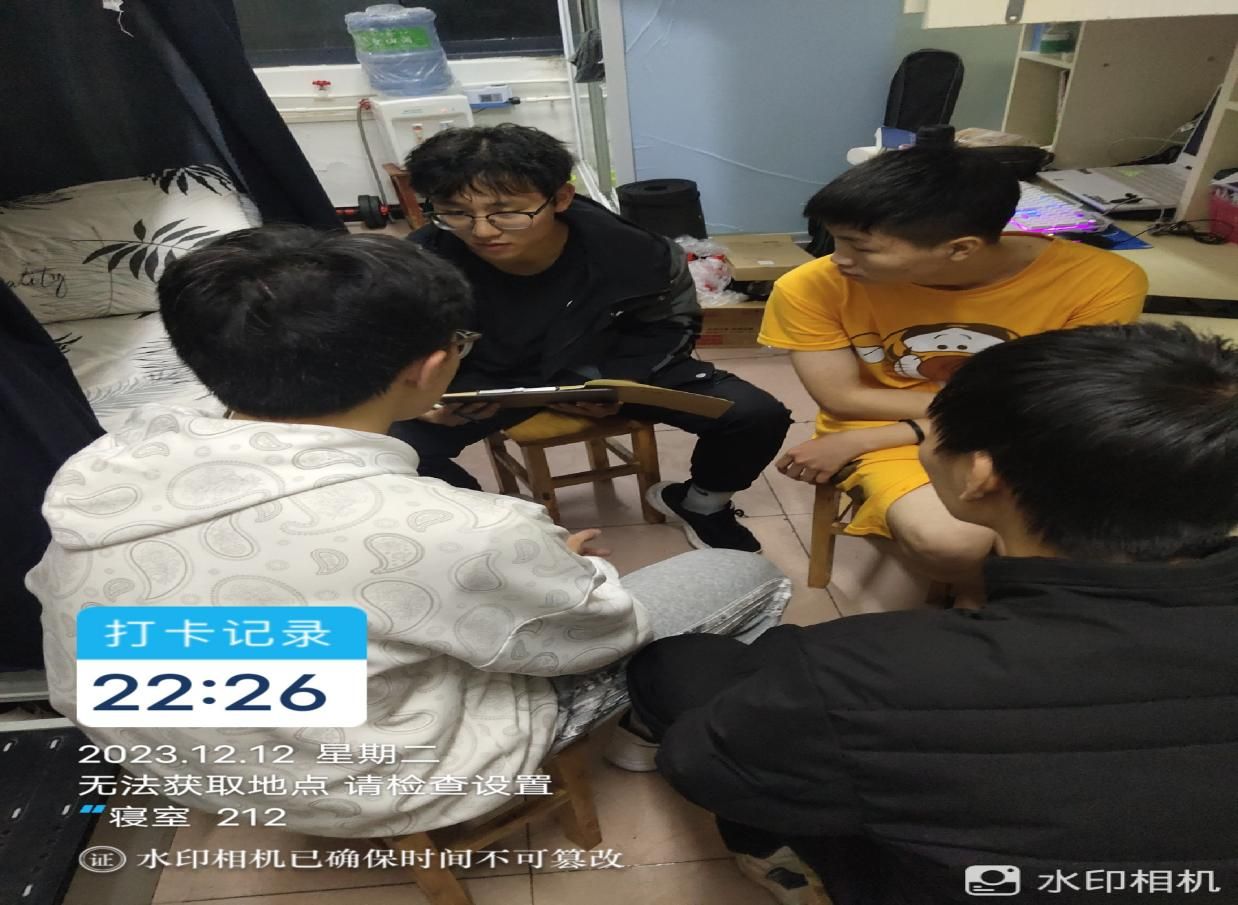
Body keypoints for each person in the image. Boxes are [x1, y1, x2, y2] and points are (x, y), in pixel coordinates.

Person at [26, 227, 791, 838]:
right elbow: (592, 635)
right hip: (378, 781)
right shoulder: (459, 528)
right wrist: (559, 570)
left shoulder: (102, 466)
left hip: (176, 765)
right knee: (744, 578)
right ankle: (647, 729)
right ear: (431, 367)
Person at [624, 323, 1238, 905]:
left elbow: (704, 766)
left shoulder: (860, 671)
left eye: (930, 430)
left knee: (677, 664)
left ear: (980, 475)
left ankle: (775, 855)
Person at [760, 147, 1148, 606]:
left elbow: (1063, 403)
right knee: (951, 543)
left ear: (961, 248)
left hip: (1029, 431)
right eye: (835, 240)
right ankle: (979, 597)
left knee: (1119, 537)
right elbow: (844, 398)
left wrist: (890, 433)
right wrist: (905, 432)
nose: (837, 259)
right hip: (901, 428)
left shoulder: (1101, 280)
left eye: (860, 247)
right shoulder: (811, 287)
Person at [390, 123, 792, 553]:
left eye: (507, 212)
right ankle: (495, 534)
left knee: (755, 414)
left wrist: (611, 381)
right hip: (487, 382)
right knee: (383, 450)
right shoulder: (417, 262)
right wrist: (421, 396)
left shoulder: (638, 253)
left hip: (608, 368)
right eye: (455, 212)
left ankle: (702, 505)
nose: (483, 231)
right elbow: (389, 342)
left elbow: (670, 327)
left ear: (561, 197)